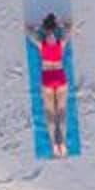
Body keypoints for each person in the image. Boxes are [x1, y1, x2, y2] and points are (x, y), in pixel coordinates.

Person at [29, 14, 72, 152]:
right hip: (60, 76)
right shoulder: (61, 44)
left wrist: (37, 28)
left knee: (50, 112)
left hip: (47, 77)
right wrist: (61, 24)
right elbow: (70, 27)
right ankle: (63, 143)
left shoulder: (42, 45)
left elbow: (28, 31)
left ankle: (54, 143)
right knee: (62, 111)